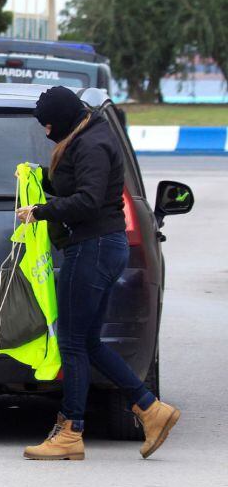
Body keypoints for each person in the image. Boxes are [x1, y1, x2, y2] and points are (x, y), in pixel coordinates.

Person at [18, 86, 180, 461]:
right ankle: (150, 409)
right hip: (103, 247)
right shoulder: (90, 136)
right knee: (88, 341)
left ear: (60, 120)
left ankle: (70, 431)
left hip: (92, 249)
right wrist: (39, 176)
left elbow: (89, 200)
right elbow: (80, 185)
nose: (46, 133)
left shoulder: (91, 144)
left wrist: (42, 210)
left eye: (47, 126)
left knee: (72, 343)